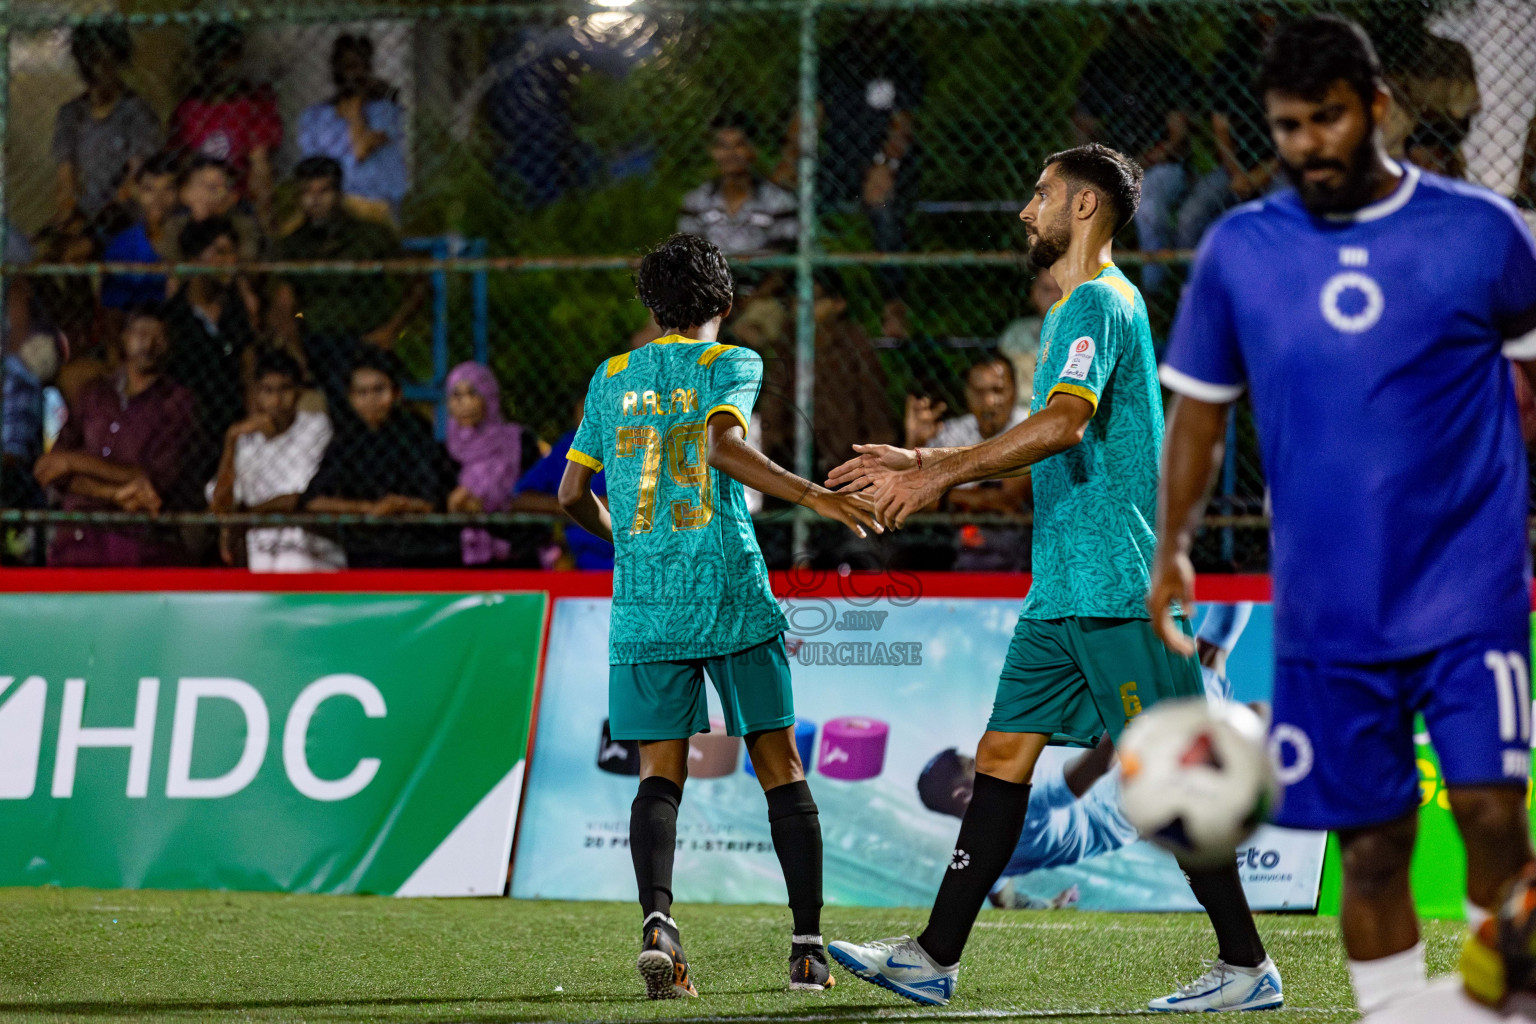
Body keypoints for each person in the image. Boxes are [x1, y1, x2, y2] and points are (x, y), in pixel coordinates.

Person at [823, 145, 1280, 1011]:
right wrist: (928, 455)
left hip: (1115, 587)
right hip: (1062, 591)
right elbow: (1053, 426)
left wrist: (933, 474)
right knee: (1000, 756)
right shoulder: (1080, 307)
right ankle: (932, 955)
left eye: (1039, 194)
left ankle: (1248, 965)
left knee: (1168, 778)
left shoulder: (1097, 304)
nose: (1024, 210)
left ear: (1084, 207)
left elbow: (1065, 425)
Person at [1148, 16, 1536, 1018]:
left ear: (1376, 106)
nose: (1309, 143)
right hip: (1328, 611)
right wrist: (1176, 545)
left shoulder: (1484, 232)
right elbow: (1198, 409)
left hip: (1468, 586)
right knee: (1372, 847)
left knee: (1495, 813)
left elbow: (1533, 390)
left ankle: (1510, 1002)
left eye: (1327, 118)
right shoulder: (1242, 250)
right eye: (1288, 126)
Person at [555, 232, 880, 999]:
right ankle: (807, 951)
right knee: (781, 768)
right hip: (728, 588)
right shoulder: (731, 361)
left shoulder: (611, 376)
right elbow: (721, 444)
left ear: (650, 306)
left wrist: (627, 541)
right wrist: (816, 495)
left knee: (657, 777)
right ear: (727, 305)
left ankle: (660, 927)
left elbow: (571, 495)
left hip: (646, 603)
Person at [34, 305, 194, 566]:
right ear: (124, 337)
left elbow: (149, 478)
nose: (148, 344)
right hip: (77, 537)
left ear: (169, 344)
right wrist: (113, 493)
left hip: (135, 541)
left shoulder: (176, 402)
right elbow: (51, 470)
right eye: (141, 333)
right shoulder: (94, 393)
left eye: (158, 336)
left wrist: (74, 462)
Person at [270, 156, 425, 410]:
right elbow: (287, 303)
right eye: (307, 192)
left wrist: (391, 331)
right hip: (316, 340)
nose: (315, 200)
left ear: (338, 192)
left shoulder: (371, 236)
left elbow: (417, 284)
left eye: (324, 191)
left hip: (366, 338)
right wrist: (296, 348)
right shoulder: (292, 245)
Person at [1073, 12, 1200, 300]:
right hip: (1111, 165)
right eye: (1131, 13)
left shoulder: (1171, 65)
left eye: (1147, 14)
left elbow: (1177, 138)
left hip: (1162, 167)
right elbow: (1084, 126)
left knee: (1148, 205)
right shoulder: (1102, 64)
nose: (1139, 23)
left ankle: (1155, 297)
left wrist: (1135, 166)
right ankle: (1086, 297)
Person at [301, 345, 452, 568]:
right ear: (350, 398)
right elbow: (313, 501)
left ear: (396, 392)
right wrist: (368, 509)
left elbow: (434, 500)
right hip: (366, 549)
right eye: (361, 393)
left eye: (378, 390)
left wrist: (401, 506)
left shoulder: (416, 433)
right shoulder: (346, 440)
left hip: (420, 550)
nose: (370, 400)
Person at [208, 349, 342, 572]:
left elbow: (299, 500)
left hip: (310, 554)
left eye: (285, 389)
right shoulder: (245, 440)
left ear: (298, 392)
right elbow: (221, 506)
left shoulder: (315, 427)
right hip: (263, 557)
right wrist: (231, 441)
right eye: (268, 391)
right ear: (257, 395)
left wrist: (244, 518)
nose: (277, 400)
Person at [162, 216, 260, 497]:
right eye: (219, 252)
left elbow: (248, 367)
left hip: (230, 419)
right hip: (187, 430)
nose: (229, 261)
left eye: (232, 252)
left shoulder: (235, 310)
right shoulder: (174, 318)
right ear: (194, 258)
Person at [906, 355, 1030, 573]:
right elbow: (908, 496)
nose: (989, 402)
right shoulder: (954, 432)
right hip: (952, 532)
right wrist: (914, 444)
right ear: (966, 393)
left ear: (1014, 391)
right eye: (979, 392)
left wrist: (938, 496)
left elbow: (1007, 501)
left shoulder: (1029, 428)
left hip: (1012, 534)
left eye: (997, 390)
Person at [169, 23, 283, 231]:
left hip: (237, 202)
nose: (220, 64)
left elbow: (260, 166)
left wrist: (264, 216)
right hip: (197, 204)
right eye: (213, 55)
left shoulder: (254, 103)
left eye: (228, 57)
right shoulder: (188, 109)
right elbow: (180, 167)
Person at [51, 26, 162, 224]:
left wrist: (97, 222)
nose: (97, 71)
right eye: (90, 62)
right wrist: (69, 212)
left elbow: (136, 177)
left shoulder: (136, 112)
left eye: (104, 62)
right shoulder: (70, 113)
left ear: (118, 62)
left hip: (125, 213)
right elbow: (65, 179)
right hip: (86, 211)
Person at [297, 34, 408, 224]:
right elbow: (312, 167)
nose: (351, 75)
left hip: (378, 200)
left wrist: (356, 110)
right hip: (333, 202)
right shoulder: (315, 116)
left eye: (356, 66)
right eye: (345, 67)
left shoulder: (383, 111)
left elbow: (361, 149)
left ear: (367, 69)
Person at [444, 361, 540, 566]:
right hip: (461, 554)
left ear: (488, 396)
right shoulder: (445, 450)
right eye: (456, 396)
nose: (465, 403)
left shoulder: (518, 441)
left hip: (515, 547)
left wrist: (490, 506)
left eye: (473, 393)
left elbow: (534, 493)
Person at [514, 394, 614, 571]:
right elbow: (520, 499)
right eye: (586, 405)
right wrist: (570, 504)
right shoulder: (568, 447)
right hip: (578, 561)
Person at [679, 114, 797, 257]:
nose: (730, 154)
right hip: (710, 278)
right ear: (712, 152)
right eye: (722, 146)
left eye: (738, 145)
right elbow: (690, 256)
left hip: (761, 277)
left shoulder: (778, 201)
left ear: (752, 150)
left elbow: (782, 261)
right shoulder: (696, 202)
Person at [101, 154, 181, 313]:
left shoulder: (192, 236)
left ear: (180, 192)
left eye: (168, 188)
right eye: (148, 189)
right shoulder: (122, 245)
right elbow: (111, 307)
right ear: (137, 192)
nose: (158, 199)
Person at [161, 156, 263, 264]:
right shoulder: (174, 227)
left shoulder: (242, 225)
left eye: (223, 187)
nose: (220, 195)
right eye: (211, 187)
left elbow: (248, 263)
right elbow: (171, 267)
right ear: (185, 191)